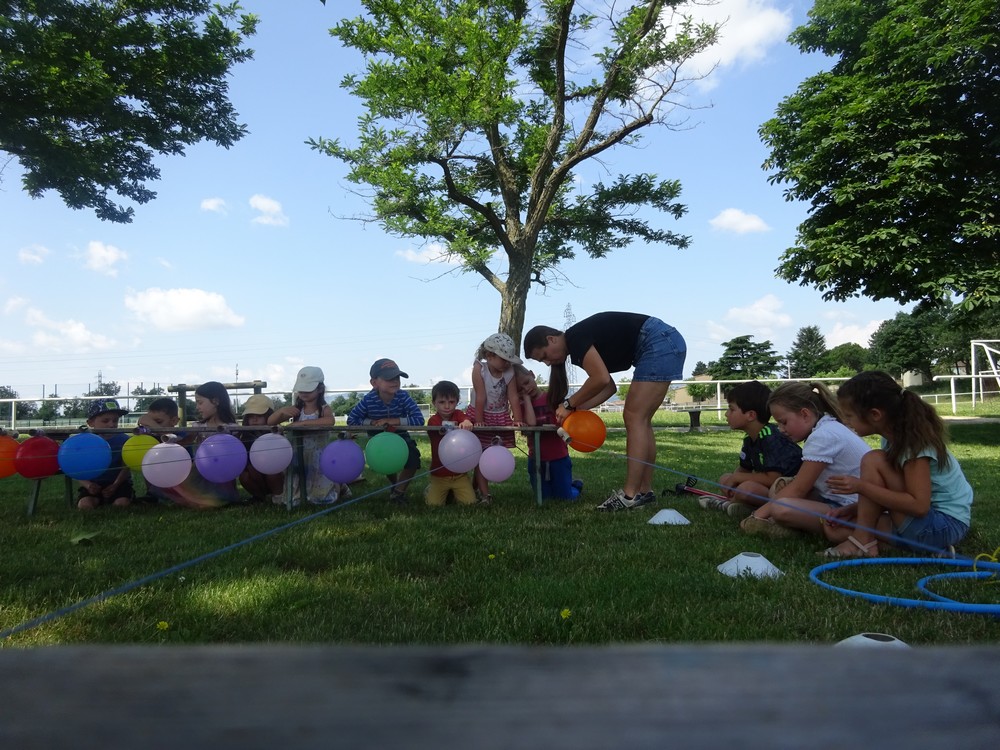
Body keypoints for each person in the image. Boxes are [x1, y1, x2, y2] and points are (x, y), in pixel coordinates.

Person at [523, 312, 686, 511]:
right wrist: (578, 408)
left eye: (545, 356)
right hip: (665, 340)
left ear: (551, 339)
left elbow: (599, 379)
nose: (548, 363)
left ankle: (629, 495)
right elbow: (609, 387)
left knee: (634, 417)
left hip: (658, 341)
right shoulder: (578, 345)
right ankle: (644, 491)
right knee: (641, 420)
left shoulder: (575, 338)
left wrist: (568, 404)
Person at [819, 371, 973, 558]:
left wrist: (860, 486)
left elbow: (919, 506)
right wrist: (851, 509)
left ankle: (862, 542)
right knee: (836, 529)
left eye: (849, 416)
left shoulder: (913, 445)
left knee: (873, 459)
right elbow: (891, 492)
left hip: (942, 526)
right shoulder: (891, 439)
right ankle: (926, 550)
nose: (846, 421)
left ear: (875, 414)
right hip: (926, 524)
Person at [740, 381, 870, 538]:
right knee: (779, 490)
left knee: (782, 508)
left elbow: (799, 489)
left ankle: (793, 527)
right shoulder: (827, 426)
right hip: (841, 501)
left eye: (784, 422)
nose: (781, 429)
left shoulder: (822, 436)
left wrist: (757, 516)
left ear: (805, 414)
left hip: (853, 508)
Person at [700, 380, 802, 520]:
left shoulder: (770, 437)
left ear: (750, 415)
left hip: (787, 491)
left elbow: (773, 478)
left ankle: (734, 505)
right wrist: (731, 481)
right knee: (725, 479)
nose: (726, 414)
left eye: (731, 409)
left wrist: (737, 479)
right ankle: (740, 505)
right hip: (770, 489)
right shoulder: (750, 439)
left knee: (747, 488)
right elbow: (744, 469)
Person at [146, 381, 242, 509]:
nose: (197, 407)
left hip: (222, 475)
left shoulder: (232, 428)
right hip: (199, 472)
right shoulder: (199, 426)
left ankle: (207, 499)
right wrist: (169, 439)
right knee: (180, 490)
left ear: (216, 401)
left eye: (200, 402)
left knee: (206, 502)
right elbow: (185, 442)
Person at [347, 358, 424, 504]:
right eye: (389, 378)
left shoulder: (403, 396)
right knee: (387, 462)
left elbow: (419, 419)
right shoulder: (368, 400)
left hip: (400, 435)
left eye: (396, 377)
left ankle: (398, 493)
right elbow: (352, 420)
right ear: (374, 383)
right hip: (378, 439)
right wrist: (372, 423)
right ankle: (394, 486)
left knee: (413, 459)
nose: (395, 381)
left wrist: (393, 421)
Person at [269, 366, 347, 506]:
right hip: (298, 455)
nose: (304, 392)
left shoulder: (324, 409)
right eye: (301, 388)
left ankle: (337, 487)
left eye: (309, 388)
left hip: (318, 456)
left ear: (320, 389)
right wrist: (281, 413)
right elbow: (270, 422)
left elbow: (330, 421)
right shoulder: (296, 409)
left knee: (320, 494)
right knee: (296, 489)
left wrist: (302, 424)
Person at [468, 333, 524, 504]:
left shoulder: (509, 371)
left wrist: (518, 419)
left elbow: (513, 397)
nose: (506, 363)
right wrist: (479, 420)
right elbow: (480, 396)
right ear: (489, 356)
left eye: (509, 359)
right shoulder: (480, 368)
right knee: (479, 456)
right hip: (480, 413)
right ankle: (485, 495)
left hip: (500, 416)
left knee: (491, 455)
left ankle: (475, 488)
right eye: (503, 359)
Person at [515, 365, 582, 501]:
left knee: (565, 498)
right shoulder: (521, 407)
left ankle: (575, 486)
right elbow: (531, 424)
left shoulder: (552, 398)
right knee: (543, 497)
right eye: (520, 389)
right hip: (537, 459)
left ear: (532, 374)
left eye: (527, 383)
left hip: (559, 457)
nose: (526, 389)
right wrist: (526, 400)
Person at [425, 380, 476, 507]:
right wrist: (458, 426)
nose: (447, 406)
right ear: (434, 403)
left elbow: (465, 419)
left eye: (451, 402)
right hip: (439, 475)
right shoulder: (433, 421)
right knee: (433, 505)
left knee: (470, 503)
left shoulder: (458, 414)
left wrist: (466, 422)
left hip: (460, 475)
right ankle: (429, 491)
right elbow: (442, 429)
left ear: (457, 402)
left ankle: (453, 492)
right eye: (442, 402)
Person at [76, 399, 133, 510]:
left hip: (119, 484)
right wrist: (88, 485)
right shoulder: (83, 442)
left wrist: (115, 485)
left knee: (122, 504)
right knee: (84, 505)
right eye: (105, 421)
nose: (111, 425)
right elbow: (76, 468)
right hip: (93, 484)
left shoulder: (125, 440)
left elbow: (126, 467)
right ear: (91, 423)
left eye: (115, 421)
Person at [238, 393, 285, 505]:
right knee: (244, 476)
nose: (254, 419)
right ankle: (259, 497)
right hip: (255, 470)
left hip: (274, 470)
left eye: (259, 415)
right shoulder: (246, 435)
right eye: (250, 416)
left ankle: (279, 497)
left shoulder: (276, 433)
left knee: (273, 473)